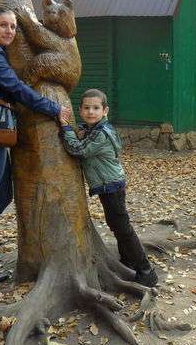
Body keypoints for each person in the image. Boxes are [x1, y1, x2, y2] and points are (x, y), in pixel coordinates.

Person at [0, 6, 69, 285]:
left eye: (13, 27)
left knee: (3, 192)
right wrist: (51, 108)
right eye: (3, 25)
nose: (9, 31)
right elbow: (15, 88)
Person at [58, 89, 158, 287]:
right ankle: (127, 261)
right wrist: (76, 129)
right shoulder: (94, 129)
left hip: (111, 187)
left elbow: (79, 150)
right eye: (86, 108)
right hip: (109, 185)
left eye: (96, 108)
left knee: (123, 228)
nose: (90, 112)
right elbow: (85, 137)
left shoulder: (102, 133)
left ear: (105, 111)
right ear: (80, 110)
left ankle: (146, 271)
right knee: (117, 225)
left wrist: (66, 129)